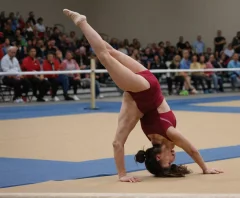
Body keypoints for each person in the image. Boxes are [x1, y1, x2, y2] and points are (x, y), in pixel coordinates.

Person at [63, 9, 223, 182]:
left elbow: (192, 150)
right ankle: (82, 22)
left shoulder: (168, 135)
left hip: (144, 90)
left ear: (158, 157)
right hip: (143, 90)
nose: (173, 160)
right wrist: (204, 168)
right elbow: (189, 149)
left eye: (168, 163)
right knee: (107, 55)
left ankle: (82, 21)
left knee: (108, 54)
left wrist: (205, 168)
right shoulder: (166, 136)